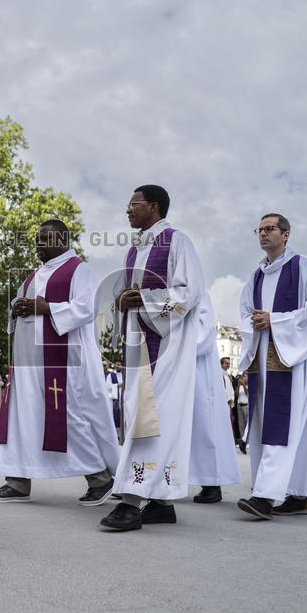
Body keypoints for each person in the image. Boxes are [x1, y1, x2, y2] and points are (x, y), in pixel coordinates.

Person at [0, 220, 120, 506]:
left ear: (62, 239)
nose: (38, 244)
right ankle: (17, 480)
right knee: (22, 419)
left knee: (66, 418)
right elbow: (24, 304)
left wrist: (47, 308)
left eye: (44, 239)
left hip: (62, 361)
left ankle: (100, 478)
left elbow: (87, 307)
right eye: (36, 239)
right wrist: (17, 307)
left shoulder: (78, 269)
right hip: (27, 363)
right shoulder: (35, 274)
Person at [99, 185, 200, 531]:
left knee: (149, 418)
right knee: (143, 417)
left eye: (134, 204)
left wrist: (142, 300)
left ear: (153, 207)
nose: (128, 210)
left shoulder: (176, 242)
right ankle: (161, 501)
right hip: (137, 342)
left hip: (164, 346)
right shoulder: (135, 249)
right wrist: (123, 301)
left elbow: (188, 292)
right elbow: (127, 294)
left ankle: (130, 501)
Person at [236, 213, 307, 520]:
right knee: (275, 426)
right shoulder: (255, 275)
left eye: (270, 229)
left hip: (290, 359)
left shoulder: (303, 267)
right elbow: (245, 312)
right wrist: (254, 324)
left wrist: (275, 320)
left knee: (283, 424)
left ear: (286, 235)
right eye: (259, 229)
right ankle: (297, 495)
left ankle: (265, 496)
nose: (263, 234)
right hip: (262, 357)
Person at [188, 300, 242, 504]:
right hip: (178, 366)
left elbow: (202, 338)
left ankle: (211, 482)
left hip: (198, 371)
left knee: (204, 427)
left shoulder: (199, 296)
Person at [105, 361, 123, 442]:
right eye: (116, 364)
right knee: (114, 415)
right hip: (114, 399)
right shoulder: (110, 375)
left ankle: (122, 434)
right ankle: (115, 435)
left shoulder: (124, 375)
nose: (117, 366)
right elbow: (107, 386)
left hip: (123, 398)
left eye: (119, 364)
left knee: (122, 415)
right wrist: (117, 385)